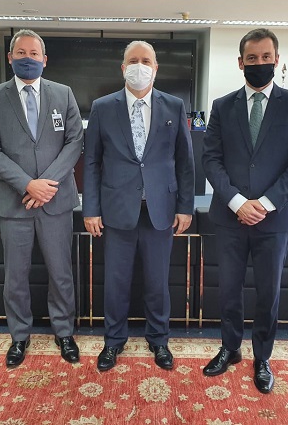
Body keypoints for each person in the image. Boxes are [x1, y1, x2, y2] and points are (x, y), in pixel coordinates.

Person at [201, 28, 288, 393]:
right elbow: (211, 159)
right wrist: (237, 202)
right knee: (228, 290)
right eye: (252, 58)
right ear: (241, 62)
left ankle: (262, 357)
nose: (259, 63)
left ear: (276, 60)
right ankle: (230, 348)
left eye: (266, 57)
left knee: (268, 292)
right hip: (230, 217)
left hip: (273, 219)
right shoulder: (222, 106)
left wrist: (263, 204)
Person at [83, 40, 195, 372]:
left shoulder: (174, 106)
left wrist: (185, 207)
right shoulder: (102, 107)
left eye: (146, 61)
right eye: (133, 60)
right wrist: (91, 209)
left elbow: (185, 162)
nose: (140, 66)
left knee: (158, 282)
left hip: (161, 210)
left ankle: (158, 340)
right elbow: (92, 162)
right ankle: (113, 341)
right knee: (116, 282)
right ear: (123, 68)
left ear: (156, 68)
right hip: (116, 210)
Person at [0, 29, 84, 368]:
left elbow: (75, 142)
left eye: (34, 53)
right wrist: (27, 184)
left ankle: (64, 332)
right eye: (21, 53)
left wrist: (45, 184)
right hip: (14, 203)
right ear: (10, 57)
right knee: (15, 275)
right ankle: (19, 336)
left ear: (44, 59)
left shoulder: (63, 94)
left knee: (61, 272)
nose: (28, 58)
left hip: (55, 200)